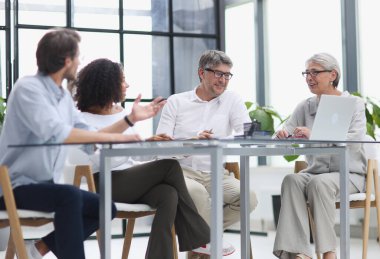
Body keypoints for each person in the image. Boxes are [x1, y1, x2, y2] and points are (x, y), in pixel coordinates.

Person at [0, 28, 167, 259]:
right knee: (70, 196)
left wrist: (129, 120)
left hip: (44, 185)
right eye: (78, 57)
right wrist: (117, 137)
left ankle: (36, 250)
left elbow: (90, 135)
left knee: (106, 207)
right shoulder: (29, 88)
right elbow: (56, 132)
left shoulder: (62, 97)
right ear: (67, 61)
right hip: (15, 186)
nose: (79, 63)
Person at [73, 58, 217, 258]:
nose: (127, 85)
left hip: (128, 181)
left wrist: (149, 142)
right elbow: (95, 160)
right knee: (170, 166)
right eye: (122, 80)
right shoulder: (81, 119)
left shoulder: (120, 112)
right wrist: (126, 142)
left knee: (168, 194)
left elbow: (132, 155)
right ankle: (201, 239)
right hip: (101, 183)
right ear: (107, 84)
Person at [156, 49, 258, 254]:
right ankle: (207, 239)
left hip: (216, 174)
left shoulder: (232, 100)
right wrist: (191, 142)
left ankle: (202, 236)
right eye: (218, 74)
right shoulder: (177, 102)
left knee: (248, 197)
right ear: (202, 73)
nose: (223, 80)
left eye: (227, 75)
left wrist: (218, 139)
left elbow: (246, 134)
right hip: (180, 172)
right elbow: (161, 146)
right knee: (198, 193)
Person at [272, 53, 367, 259]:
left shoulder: (354, 104)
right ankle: (298, 252)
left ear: (333, 74)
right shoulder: (305, 106)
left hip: (349, 175)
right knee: (292, 180)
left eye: (315, 72)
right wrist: (281, 135)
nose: (309, 77)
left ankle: (328, 252)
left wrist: (313, 135)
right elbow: (284, 132)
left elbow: (355, 139)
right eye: (306, 73)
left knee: (320, 184)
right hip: (315, 172)